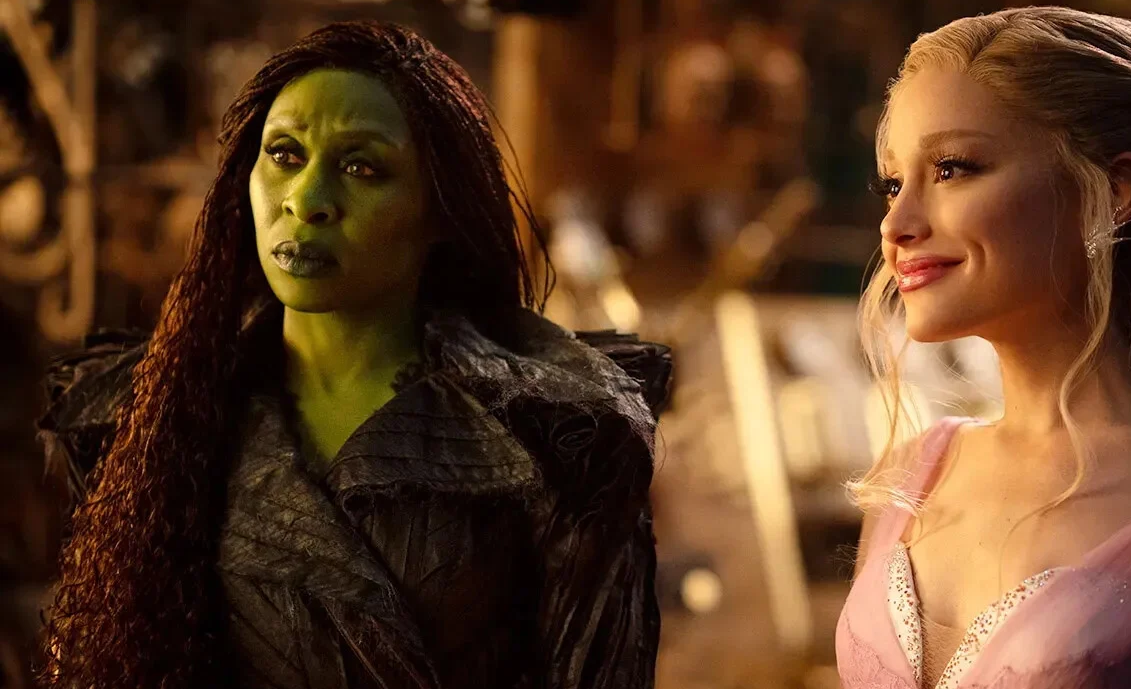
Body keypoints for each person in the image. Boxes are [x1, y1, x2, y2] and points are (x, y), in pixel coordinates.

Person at [35, 20, 667, 689]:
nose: (306, 201)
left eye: (362, 168)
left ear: (438, 209)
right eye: (284, 155)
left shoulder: (561, 437)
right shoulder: (148, 417)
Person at [837, 7, 1131, 689]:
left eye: (953, 168)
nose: (896, 225)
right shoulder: (905, 480)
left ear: (1113, 191)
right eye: (894, 184)